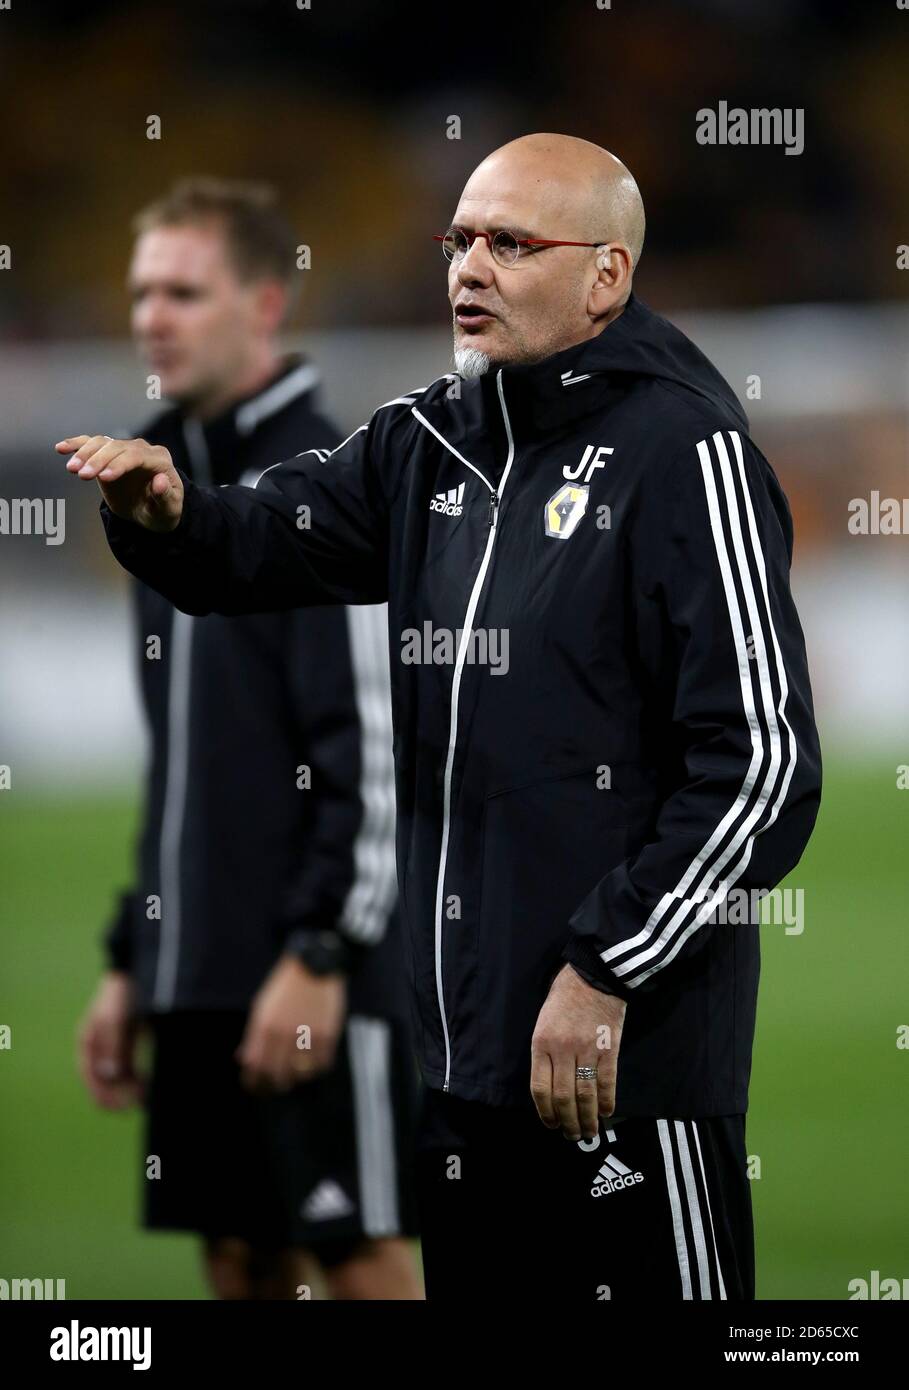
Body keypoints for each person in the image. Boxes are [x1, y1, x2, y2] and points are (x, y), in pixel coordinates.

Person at [59, 135, 823, 1302]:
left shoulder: (688, 453)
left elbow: (762, 765)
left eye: (511, 244)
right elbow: (267, 541)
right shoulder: (430, 440)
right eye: (459, 240)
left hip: (627, 1070)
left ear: (606, 277)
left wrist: (607, 966)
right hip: (461, 1070)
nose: (468, 267)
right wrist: (168, 513)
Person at [74, 178, 421, 1300]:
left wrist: (322, 951)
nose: (150, 318)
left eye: (183, 290)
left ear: (265, 305)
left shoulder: (326, 483)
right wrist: (139, 956)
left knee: (354, 1252)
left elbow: (372, 745)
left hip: (310, 969)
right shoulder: (151, 484)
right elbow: (182, 763)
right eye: (140, 292)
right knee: (237, 1255)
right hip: (202, 965)